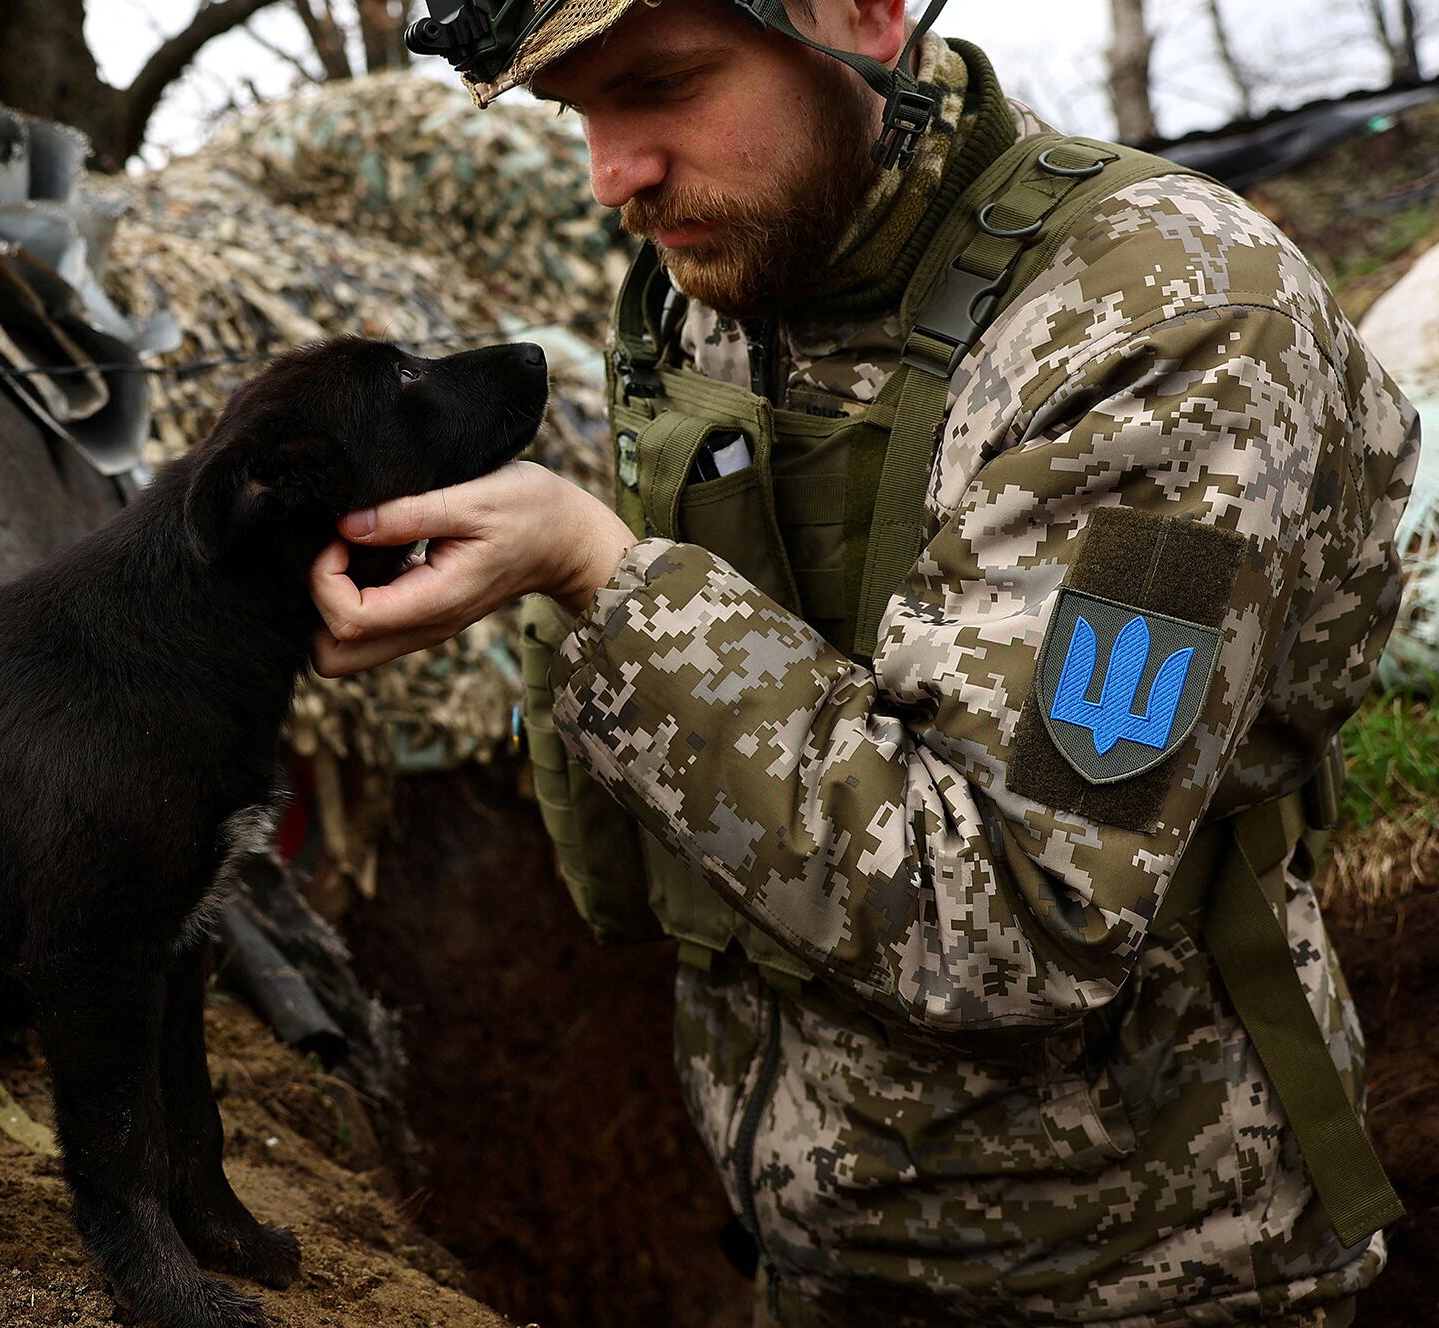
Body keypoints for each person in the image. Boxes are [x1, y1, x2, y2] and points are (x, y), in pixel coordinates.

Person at [309, 0, 1423, 1324]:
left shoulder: (1166, 335)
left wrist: (601, 580)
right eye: (578, 112)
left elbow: (1015, 919)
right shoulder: (736, 274)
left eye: (664, 83)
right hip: (823, 1251)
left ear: (863, 13)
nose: (615, 175)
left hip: (1139, 1274)